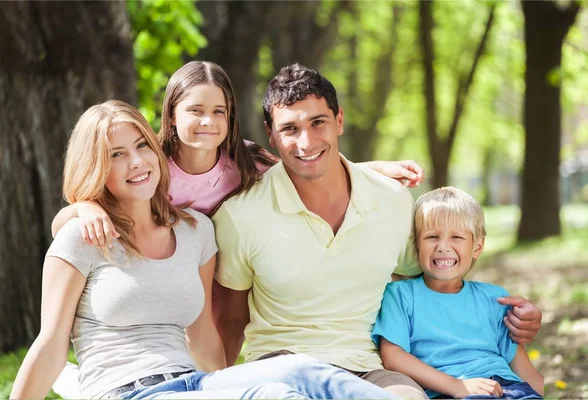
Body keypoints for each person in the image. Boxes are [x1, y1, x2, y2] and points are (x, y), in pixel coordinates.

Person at [9, 101, 398, 400]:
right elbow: (50, 344)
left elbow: (203, 336)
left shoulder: (195, 231)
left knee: (299, 375)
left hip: (193, 384)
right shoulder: (81, 236)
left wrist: (231, 382)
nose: (137, 161)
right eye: (116, 154)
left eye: (142, 145)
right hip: (125, 390)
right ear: (95, 166)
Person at [213, 63, 544, 399]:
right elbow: (229, 320)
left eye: (318, 122)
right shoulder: (241, 216)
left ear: (339, 120)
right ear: (270, 133)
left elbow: (432, 284)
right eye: (289, 128)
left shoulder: (393, 200)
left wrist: (508, 315)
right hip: (281, 367)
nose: (306, 141)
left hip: (369, 367)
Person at [51, 61, 424, 246]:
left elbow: (306, 165)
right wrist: (86, 207)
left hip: (220, 274)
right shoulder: (149, 164)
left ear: (230, 116)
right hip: (162, 271)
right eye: (195, 111)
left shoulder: (246, 163)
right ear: (171, 114)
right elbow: (62, 223)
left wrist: (373, 169)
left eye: (219, 112)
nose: (207, 122)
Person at [372, 187, 544, 399]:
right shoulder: (401, 295)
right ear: (417, 245)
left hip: (509, 388)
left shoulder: (495, 299)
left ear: (477, 247)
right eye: (432, 236)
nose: (443, 246)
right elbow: (394, 357)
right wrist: (457, 386)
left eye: (456, 237)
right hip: (448, 390)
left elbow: (528, 374)